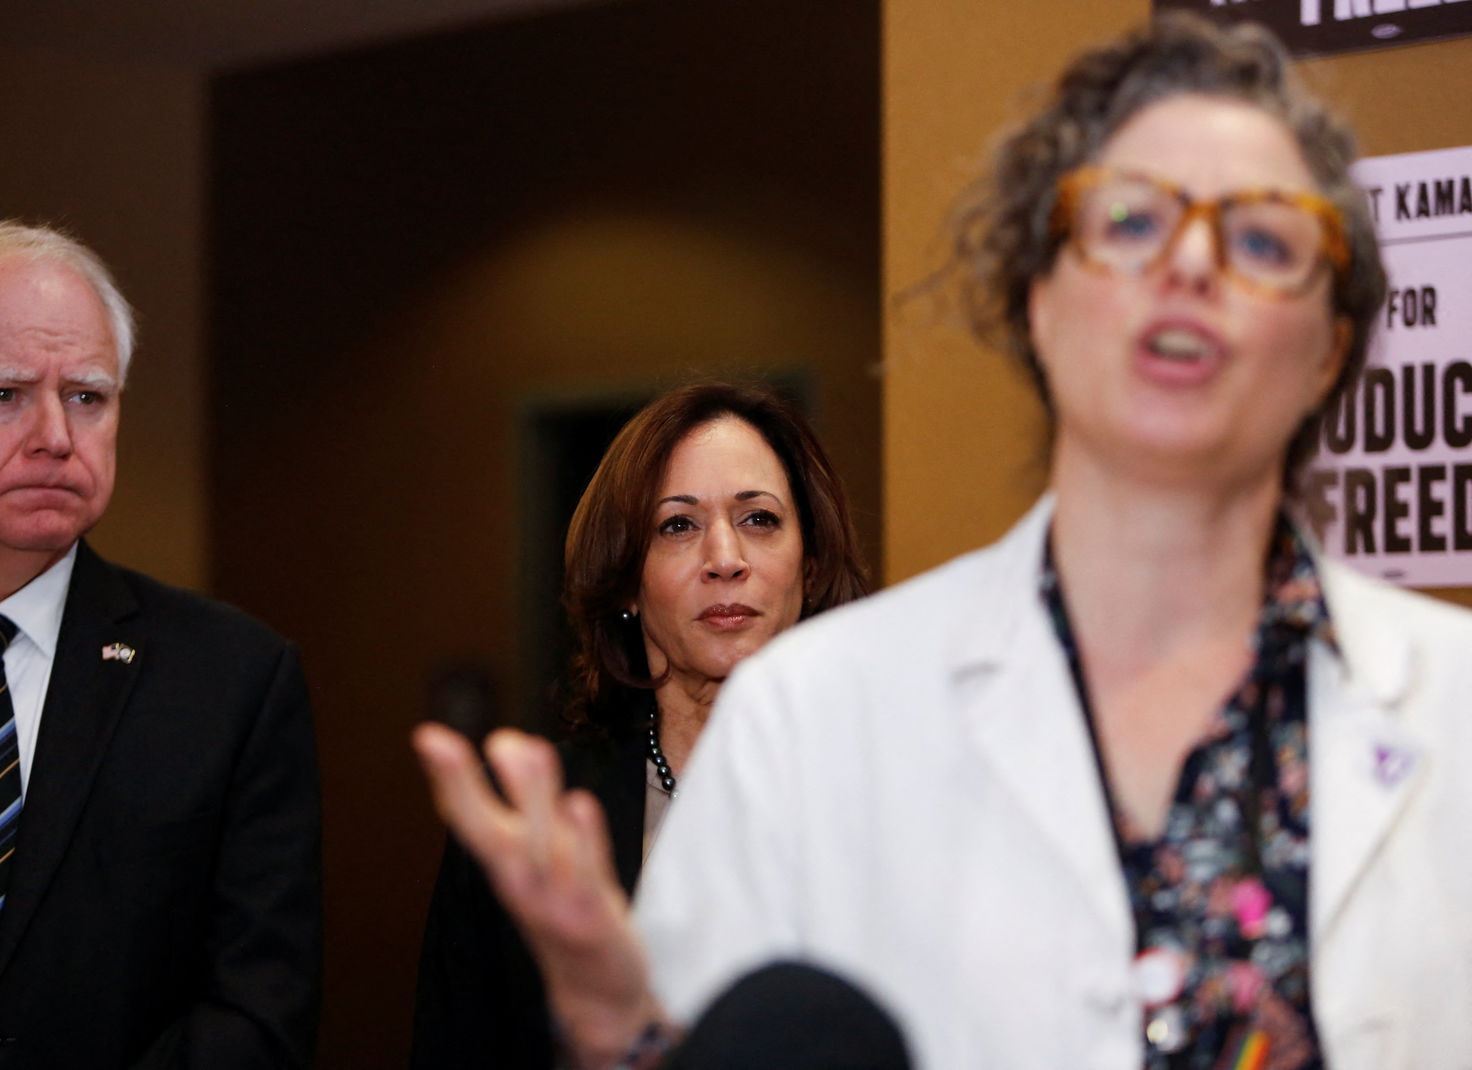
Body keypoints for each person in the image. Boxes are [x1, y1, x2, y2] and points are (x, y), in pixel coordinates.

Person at [416, 14, 1472, 1070]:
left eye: (1261, 240)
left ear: (1331, 347)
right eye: (1131, 223)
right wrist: (621, 1031)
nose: (1191, 265)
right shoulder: (809, 716)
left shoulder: (1454, 705)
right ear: (1037, 302)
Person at [0, 222, 321, 1068]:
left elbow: (260, 1007)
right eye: (4, 394)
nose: (55, 435)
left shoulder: (233, 680)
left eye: (87, 397)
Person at [411, 381, 869, 1067]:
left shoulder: (897, 796)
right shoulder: (529, 824)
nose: (725, 558)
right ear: (628, 580)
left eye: (759, 520)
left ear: (809, 563)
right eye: (677, 525)